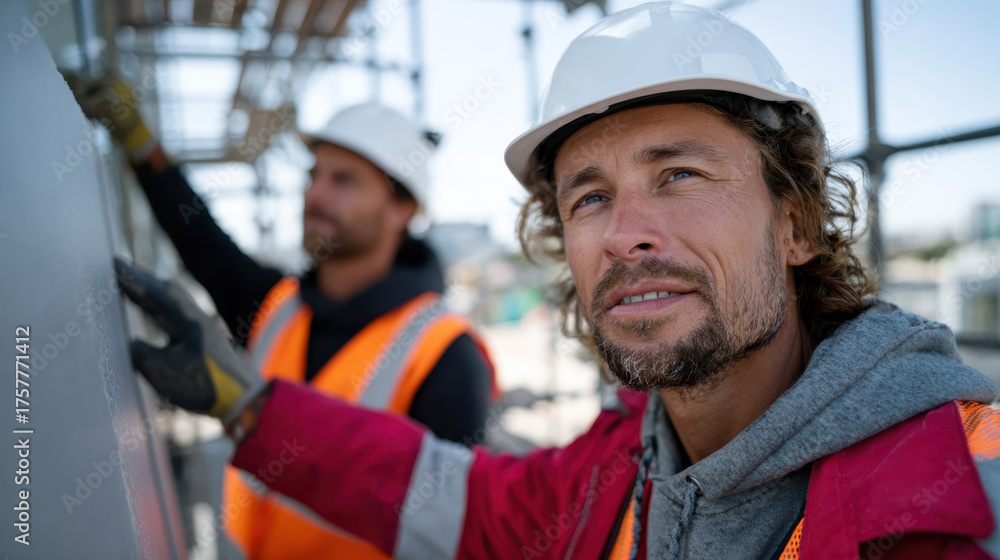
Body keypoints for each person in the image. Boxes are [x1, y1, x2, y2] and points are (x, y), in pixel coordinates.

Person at [114, 3, 1000, 559]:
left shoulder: (965, 489)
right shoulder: (610, 472)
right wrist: (248, 408)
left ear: (797, 221)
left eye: (679, 175)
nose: (623, 235)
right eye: (589, 197)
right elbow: (450, 498)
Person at [72, 83, 497, 559]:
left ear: (401, 209)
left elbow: (450, 529)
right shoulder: (277, 306)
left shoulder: (445, 352)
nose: (315, 194)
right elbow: (199, 238)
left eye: (344, 181)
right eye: (314, 175)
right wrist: (141, 143)